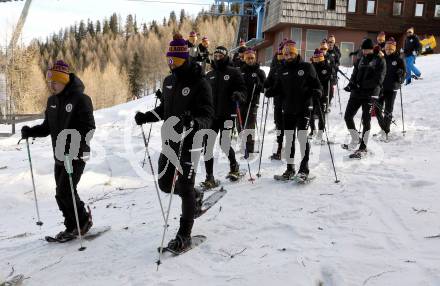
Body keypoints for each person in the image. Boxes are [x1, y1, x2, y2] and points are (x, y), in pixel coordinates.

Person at [134, 33, 214, 252]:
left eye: (176, 61)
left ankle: (184, 235)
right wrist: (147, 116)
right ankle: (195, 196)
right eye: (169, 60)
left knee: (185, 187)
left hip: (192, 141)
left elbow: (208, 115)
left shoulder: (200, 82)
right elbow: (164, 110)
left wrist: (194, 123)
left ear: (186, 59)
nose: (172, 65)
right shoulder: (169, 81)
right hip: (170, 141)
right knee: (165, 184)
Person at [21, 60, 95, 240]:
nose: (51, 85)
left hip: (76, 153)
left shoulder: (81, 99)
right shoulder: (52, 101)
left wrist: (72, 144)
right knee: (62, 193)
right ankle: (73, 225)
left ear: (63, 80)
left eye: (54, 81)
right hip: (59, 155)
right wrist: (31, 131)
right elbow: (47, 127)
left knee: (65, 191)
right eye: (49, 82)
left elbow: (88, 127)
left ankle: (82, 222)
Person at [265, 40, 322, 180]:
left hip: (304, 108)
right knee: (289, 139)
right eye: (285, 54)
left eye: (291, 53)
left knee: (302, 138)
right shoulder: (282, 69)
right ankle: (290, 168)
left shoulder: (307, 67)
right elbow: (278, 87)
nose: (288, 56)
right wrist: (270, 91)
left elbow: (318, 86)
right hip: (288, 109)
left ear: (296, 53)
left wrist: (317, 92)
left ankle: (304, 169)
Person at [201, 46, 247, 188]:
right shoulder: (209, 75)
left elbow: (243, 90)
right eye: (215, 55)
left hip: (227, 114)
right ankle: (210, 177)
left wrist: (239, 94)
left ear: (226, 56)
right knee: (208, 146)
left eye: (220, 55)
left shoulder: (234, 72)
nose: (217, 57)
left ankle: (234, 166)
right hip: (212, 116)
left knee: (224, 143)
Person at [343, 38, 386, 157]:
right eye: (363, 49)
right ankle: (355, 138)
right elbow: (354, 74)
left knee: (366, 120)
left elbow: (379, 79)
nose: (364, 52)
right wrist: (350, 85)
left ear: (372, 49)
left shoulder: (379, 60)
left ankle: (363, 146)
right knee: (348, 116)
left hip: (370, 94)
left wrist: (363, 85)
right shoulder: (360, 59)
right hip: (357, 92)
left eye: (366, 50)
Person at [374, 37, 406, 139]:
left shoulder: (398, 59)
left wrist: (401, 74)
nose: (388, 51)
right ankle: (383, 128)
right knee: (377, 109)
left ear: (394, 49)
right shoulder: (381, 57)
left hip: (392, 88)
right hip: (381, 87)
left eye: (391, 49)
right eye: (387, 49)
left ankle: (385, 131)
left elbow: (404, 73)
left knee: (388, 110)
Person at [239, 48, 266, 157]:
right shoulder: (240, 70)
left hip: (253, 102)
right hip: (241, 101)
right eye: (247, 58)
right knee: (240, 125)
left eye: (252, 58)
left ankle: (249, 149)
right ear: (244, 59)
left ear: (255, 58)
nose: (250, 60)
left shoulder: (260, 71)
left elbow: (265, 88)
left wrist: (259, 83)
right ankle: (243, 145)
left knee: (249, 126)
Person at [265, 42, 285, 160]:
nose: (282, 54)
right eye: (280, 52)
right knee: (279, 125)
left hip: (290, 101)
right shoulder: (275, 63)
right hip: (278, 100)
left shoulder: (293, 64)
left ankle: (289, 150)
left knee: (288, 126)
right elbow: (270, 78)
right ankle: (279, 148)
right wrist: (266, 84)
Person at [310, 48, 332, 142]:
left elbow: (324, 79)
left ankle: (320, 133)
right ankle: (313, 130)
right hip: (312, 94)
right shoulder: (311, 66)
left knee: (321, 113)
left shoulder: (327, 66)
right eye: (316, 58)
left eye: (319, 57)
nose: (318, 59)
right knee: (310, 112)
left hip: (323, 94)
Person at [326, 35, 341, 109]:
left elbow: (338, 62)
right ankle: (324, 104)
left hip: (333, 73)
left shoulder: (336, 52)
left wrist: (335, 65)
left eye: (332, 42)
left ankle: (328, 103)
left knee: (331, 91)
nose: (330, 43)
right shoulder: (325, 50)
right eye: (329, 42)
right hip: (325, 73)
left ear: (334, 42)